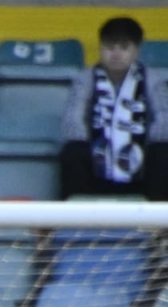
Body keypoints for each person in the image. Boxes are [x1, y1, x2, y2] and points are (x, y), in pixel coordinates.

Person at [59, 16, 168, 201]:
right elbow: (73, 117)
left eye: (124, 48)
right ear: (100, 48)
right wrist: (107, 144)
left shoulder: (153, 78)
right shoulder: (85, 78)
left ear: (136, 51)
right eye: (110, 47)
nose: (116, 54)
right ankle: (79, 217)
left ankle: (157, 221)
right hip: (97, 159)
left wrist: (136, 144)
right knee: (73, 152)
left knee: (163, 153)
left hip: (140, 161)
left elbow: (164, 118)